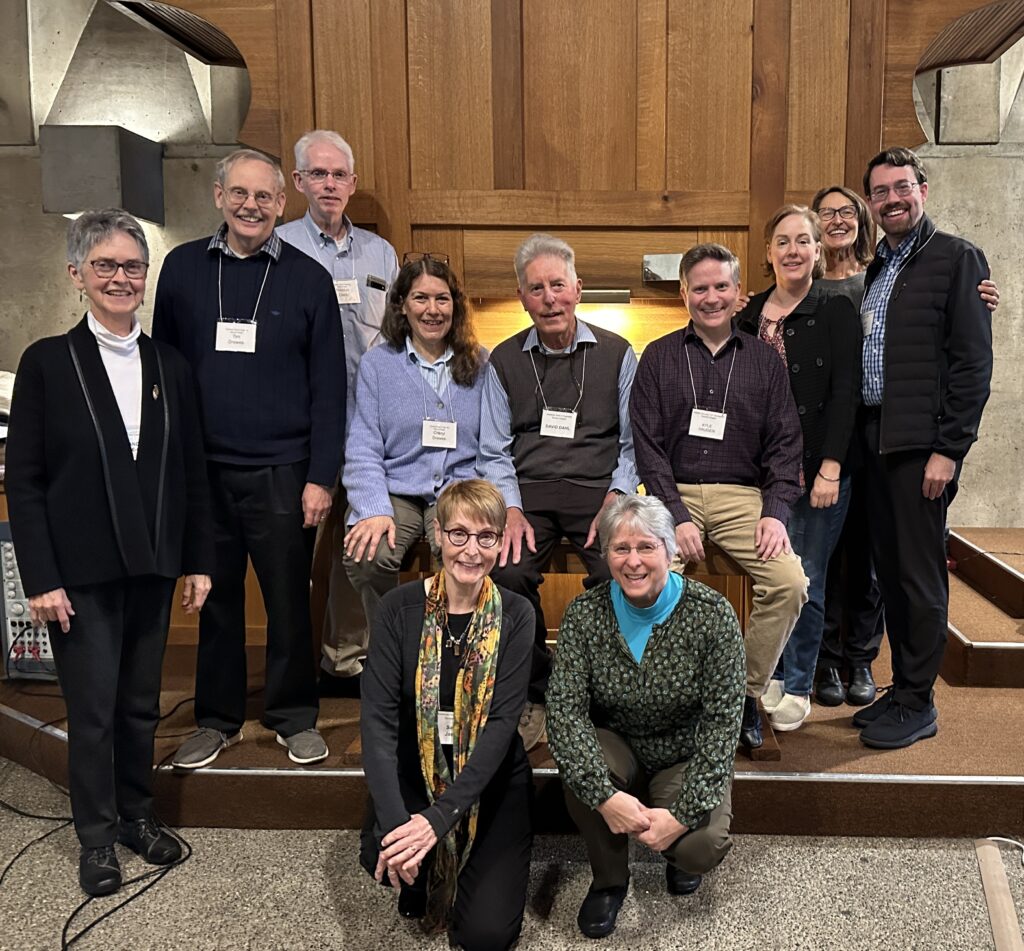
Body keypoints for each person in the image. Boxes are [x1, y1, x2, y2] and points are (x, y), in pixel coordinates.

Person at [5, 209, 214, 896]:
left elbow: (190, 470)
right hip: (81, 572)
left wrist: (199, 559)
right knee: (91, 711)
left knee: (139, 706)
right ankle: (95, 837)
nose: (122, 277)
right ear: (77, 275)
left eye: (132, 266)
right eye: (107, 266)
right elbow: (26, 480)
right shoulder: (47, 363)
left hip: (151, 564)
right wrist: (41, 577)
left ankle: (136, 815)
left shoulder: (168, 365)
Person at [154, 148, 347, 768]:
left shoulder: (308, 278)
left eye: (264, 197)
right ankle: (217, 718)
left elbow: (329, 387)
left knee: (290, 599)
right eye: (239, 193)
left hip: (283, 472)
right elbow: (163, 371)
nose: (251, 206)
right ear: (218, 196)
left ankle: (293, 717)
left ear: (280, 204)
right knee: (214, 599)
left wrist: (321, 476)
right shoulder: (182, 269)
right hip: (203, 471)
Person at [811, 184, 999, 707]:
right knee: (836, 557)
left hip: (905, 436)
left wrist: (950, 447)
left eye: (847, 210)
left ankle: (875, 667)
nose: (837, 220)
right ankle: (834, 662)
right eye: (826, 214)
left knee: (881, 562)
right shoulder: (851, 276)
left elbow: (964, 355)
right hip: (844, 440)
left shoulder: (898, 267)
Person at [630, 242, 807, 751]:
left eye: (721, 287)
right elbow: (648, 447)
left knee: (791, 583)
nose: (711, 297)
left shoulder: (764, 362)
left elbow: (785, 444)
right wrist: (677, 516)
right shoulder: (659, 356)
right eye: (700, 288)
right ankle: (673, 699)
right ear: (684, 293)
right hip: (671, 493)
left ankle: (744, 693)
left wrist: (775, 513)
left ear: (738, 294)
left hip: (741, 496)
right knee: (649, 585)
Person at [546, 494, 744, 940]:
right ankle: (610, 881)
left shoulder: (713, 616)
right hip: (617, 745)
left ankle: (673, 849)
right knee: (581, 770)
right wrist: (603, 796)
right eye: (621, 548)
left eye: (646, 547)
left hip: (681, 754)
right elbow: (564, 711)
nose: (632, 561)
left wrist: (682, 814)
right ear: (606, 555)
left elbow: (722, 725)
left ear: (671, 551)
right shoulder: (584, 614)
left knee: (699, 846)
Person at [853, 147, 992, 749]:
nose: (892, 199)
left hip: (919, 447)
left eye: (902, 187)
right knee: (888, 573)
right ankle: (903, 689)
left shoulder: (957, 259)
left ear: (923, 189)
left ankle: (919, 701)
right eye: (881, 192)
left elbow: (972, 364)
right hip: (873, 440)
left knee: (919, 578)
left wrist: (949, 450)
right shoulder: (878, 268)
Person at [478, 233, 639, 750]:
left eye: (557, 286)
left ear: (578, 289)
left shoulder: (617, 353)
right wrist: (511, 509)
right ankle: (537, 686)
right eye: (536, 289)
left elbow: (634, 441)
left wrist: (616, 496)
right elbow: (493, 448)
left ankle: (606, 691)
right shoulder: (502, 360)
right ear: (522, 297)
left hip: (599, 490)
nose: (549, 298)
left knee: (619, 573)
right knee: (506, 572)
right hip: (529, 493)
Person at [360, 479, 533, 951]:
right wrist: (399, 824)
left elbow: (500, 727)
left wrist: (436, 820)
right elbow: (377, 722)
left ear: (500, 541)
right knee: (386, 854)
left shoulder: (517, 614)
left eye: (486, 537)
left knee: (485, 937)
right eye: (459, 534)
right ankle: (415, 867)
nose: (471, 550)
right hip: (417, 769)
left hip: (490, 781)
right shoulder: (399, 608)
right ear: (437, 534)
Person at [277, 129, 400, 694]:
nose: (329, 184)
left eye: (339, 175)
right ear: (298, 182)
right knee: (292, 554)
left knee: (358, 550)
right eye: (317, 174)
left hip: (369, 431)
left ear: (352, 184)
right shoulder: (278, 247)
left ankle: (344, 660)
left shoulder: (380, 254)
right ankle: (291, 666)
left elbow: (398, 337)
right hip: (300, 429)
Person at [734, 206, 861, 732]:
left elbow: (846, 393)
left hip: (816, 469)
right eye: (782, 241)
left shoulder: (834, 309)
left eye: (802, 241)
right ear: (768, 252)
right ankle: (768, 675)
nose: (792, 250)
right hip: (758, 474)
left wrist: (831, 466)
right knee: (772, 576)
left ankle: (799, 681)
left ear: (816, 250)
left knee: (805, 578)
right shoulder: (748, 315)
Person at [343, 255, 487, 648]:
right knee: (366, 555)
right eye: (420, 298)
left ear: (455, 305)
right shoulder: (377, 365)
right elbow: (362, 445)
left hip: (460, 491)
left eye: (442, 299)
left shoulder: (480, 363)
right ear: (402, 304)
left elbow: (493, 444)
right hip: (398, 491)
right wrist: (372, 508)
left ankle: (449, 654)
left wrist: (473, 505)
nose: (432, 310)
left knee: (461, 556)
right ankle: (395, 648)